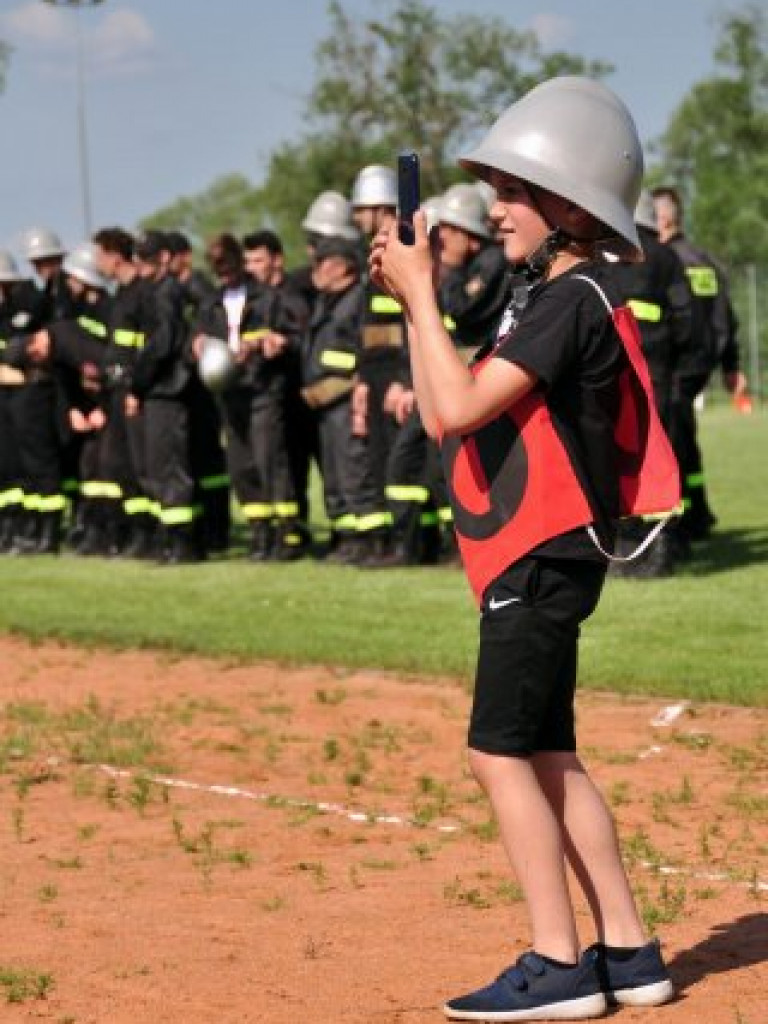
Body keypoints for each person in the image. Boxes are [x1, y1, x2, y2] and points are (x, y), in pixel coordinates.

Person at [370, 76, 677, 1021]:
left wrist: (422, 294)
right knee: (548, 751)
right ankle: (628, 954)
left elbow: (458, 406)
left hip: (544, 555)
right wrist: (414, 302)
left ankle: (557, 962)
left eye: (513, 189)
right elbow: (441, 412)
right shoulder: (537, 295)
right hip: (545, 555)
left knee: (498, 753)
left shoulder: (574, 296)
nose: (493, 207)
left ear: (570, 204)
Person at [652, 186, 745, 541]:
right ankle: (697, 511)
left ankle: (678, 521)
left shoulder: (668, 261)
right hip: (700, 362)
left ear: (664, 218)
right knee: (684, 432)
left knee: (673, 432)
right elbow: (725, 317)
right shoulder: (701, 258)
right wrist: (729, 364)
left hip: (679, 364)